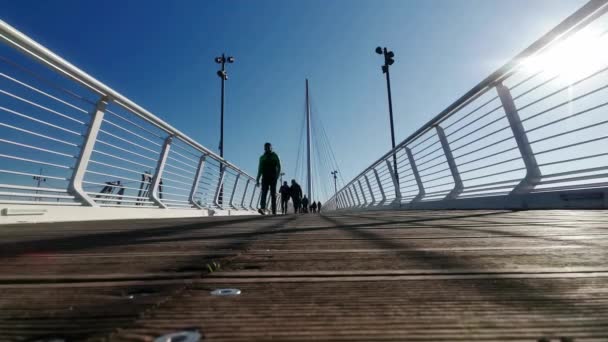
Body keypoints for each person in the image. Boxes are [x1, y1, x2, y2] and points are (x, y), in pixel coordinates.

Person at [256, 142, 281, 215]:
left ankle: (274, 211)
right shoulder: (262, 158)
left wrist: (277, 176)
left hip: (273, 177)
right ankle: (263, 208)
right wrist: (257, 179)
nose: (267, 148)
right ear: (264, 148)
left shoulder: (275, 156)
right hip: (265, 177)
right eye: (266, 147)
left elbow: (279, 166)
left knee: (273, 194)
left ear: (271, 148)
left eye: (269, 147)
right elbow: (260, 169)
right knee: (264, 192)